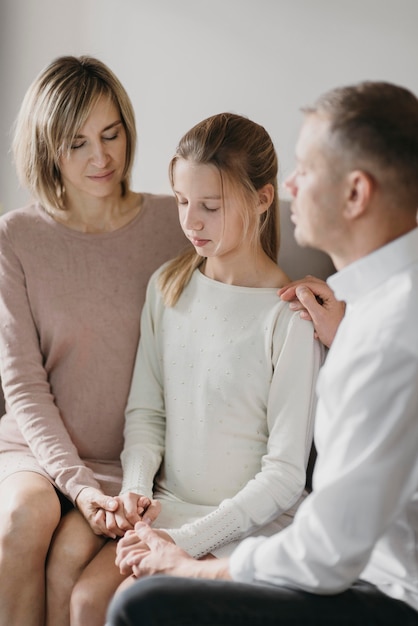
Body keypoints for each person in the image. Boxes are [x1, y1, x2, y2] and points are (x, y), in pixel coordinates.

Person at [107, 80, 418, 626]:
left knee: (140, 605)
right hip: (360, 570)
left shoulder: (387, 334)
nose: (290, 184)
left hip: (386, 592)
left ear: (355, 193)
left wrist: (187, 565)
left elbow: (324, 553)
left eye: (307, 169)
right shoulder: (369, 316)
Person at [70, 112, 324, 625]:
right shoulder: (168, 286)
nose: (191, 222)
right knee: (85, 601)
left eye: (210, 206)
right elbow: (147, 413)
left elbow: (284, 475)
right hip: (167, 510)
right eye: (183, 202)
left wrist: (183, 544)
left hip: (247, 526)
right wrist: (137, 493)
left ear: (263, 200)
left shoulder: (289, 317)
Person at [0, 55, 189, 626]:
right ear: (46, 148)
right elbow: (23, 385)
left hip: (131, 457)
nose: (102, 157)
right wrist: (76, 486)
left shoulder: (173, 223)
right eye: (77, 143)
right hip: (37, 448)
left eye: (112, 135)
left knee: (71, 569)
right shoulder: (16, 236)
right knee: (20, 521)